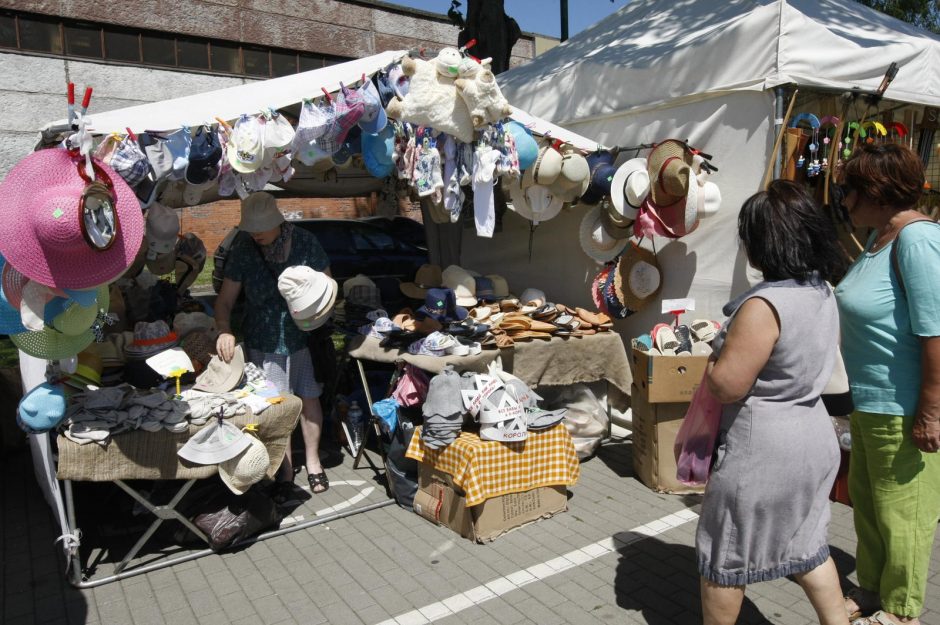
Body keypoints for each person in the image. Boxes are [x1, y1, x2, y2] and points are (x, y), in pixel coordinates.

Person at [697, 180, 848, 625]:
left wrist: (711, 361)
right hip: (814, 436)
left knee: (724, 561)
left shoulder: (764, 304)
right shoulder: (822, 291)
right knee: (807, 548)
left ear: (763, 242)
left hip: (763, 447)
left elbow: (727, 386)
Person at [834, 143, 940, 625]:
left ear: (875, 191)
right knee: (871, 508)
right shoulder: (880, 237)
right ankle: (873, 588)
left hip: (903, 407)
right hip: (870, 402)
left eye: (849, 190)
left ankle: (900, 609)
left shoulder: (916, 241)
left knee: (904, 516)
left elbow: (935, 331)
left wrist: (932, 411)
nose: (844, 200)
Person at [215, 192, 333, 497]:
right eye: (251, 229)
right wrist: (224, 330)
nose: (255, 234)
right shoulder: (243, 248)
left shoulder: (305, 242)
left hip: (303, 338)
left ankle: (313, 462)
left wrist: (315, 309)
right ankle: (284, 472)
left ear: (277, 222)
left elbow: (327, 286)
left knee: (309, 400)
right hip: (263, 342)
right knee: (275, 409)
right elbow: (225, 301)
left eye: (261, 228)